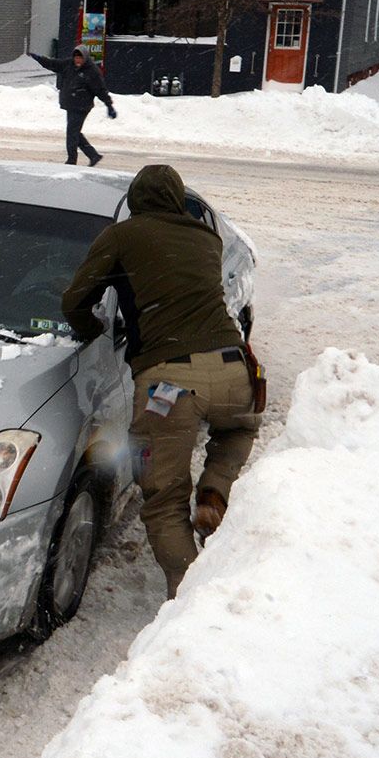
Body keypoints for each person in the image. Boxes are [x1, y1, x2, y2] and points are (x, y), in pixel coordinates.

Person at [61, 165, 260, 598]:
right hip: (232, 367)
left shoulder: (123, 235)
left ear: (135, 201)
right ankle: (215, 493)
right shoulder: (207, 238)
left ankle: (190, 598)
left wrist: (89, 328)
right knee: (238, 430)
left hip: (167, 385)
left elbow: (77, 298)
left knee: (164, 499)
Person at [31, 46, 117, 166]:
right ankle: (93, 155)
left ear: (85, 58)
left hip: (82, 106)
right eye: (76, 57)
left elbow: (100, 90)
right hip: (71, 104)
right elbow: (53, 64)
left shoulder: (92, 71)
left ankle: (72, 159)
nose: (77, 60)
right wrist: (39, 59)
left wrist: (109, 105)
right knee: (74, 132)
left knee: (72, 132)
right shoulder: (68, 65)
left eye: (80, 58)